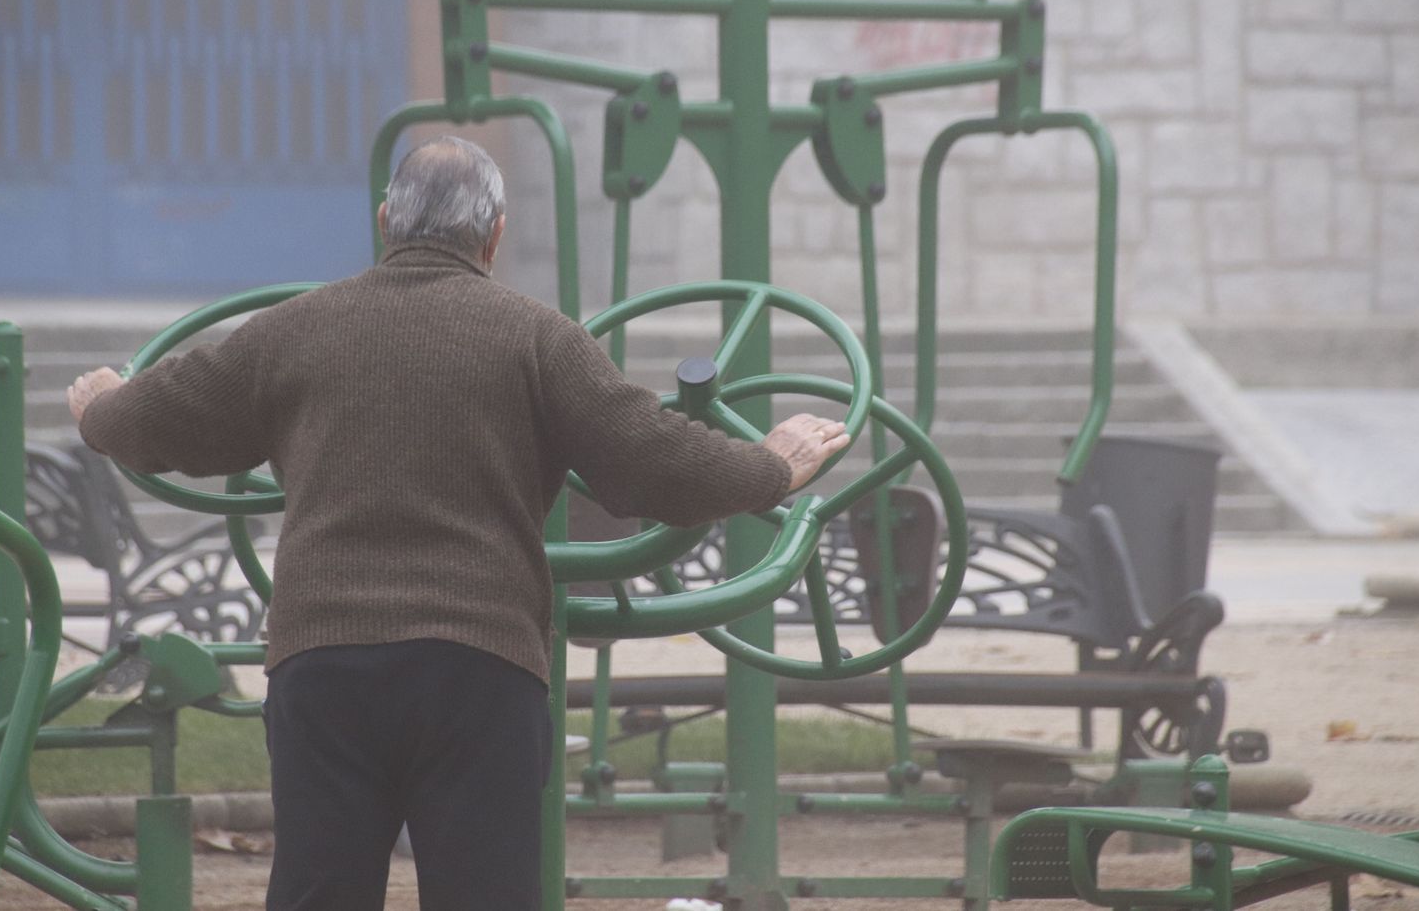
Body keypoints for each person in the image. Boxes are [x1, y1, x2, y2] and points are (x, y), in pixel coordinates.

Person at [66, 136, 850, 911]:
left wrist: (103, 405)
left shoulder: (290, 331)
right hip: (479, 670)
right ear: (496, 234)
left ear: (385, 222)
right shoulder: (538, 338)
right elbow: (650, 462)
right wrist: (771, 466)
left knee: (318, 894)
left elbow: (154, 421)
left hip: (323, 665)